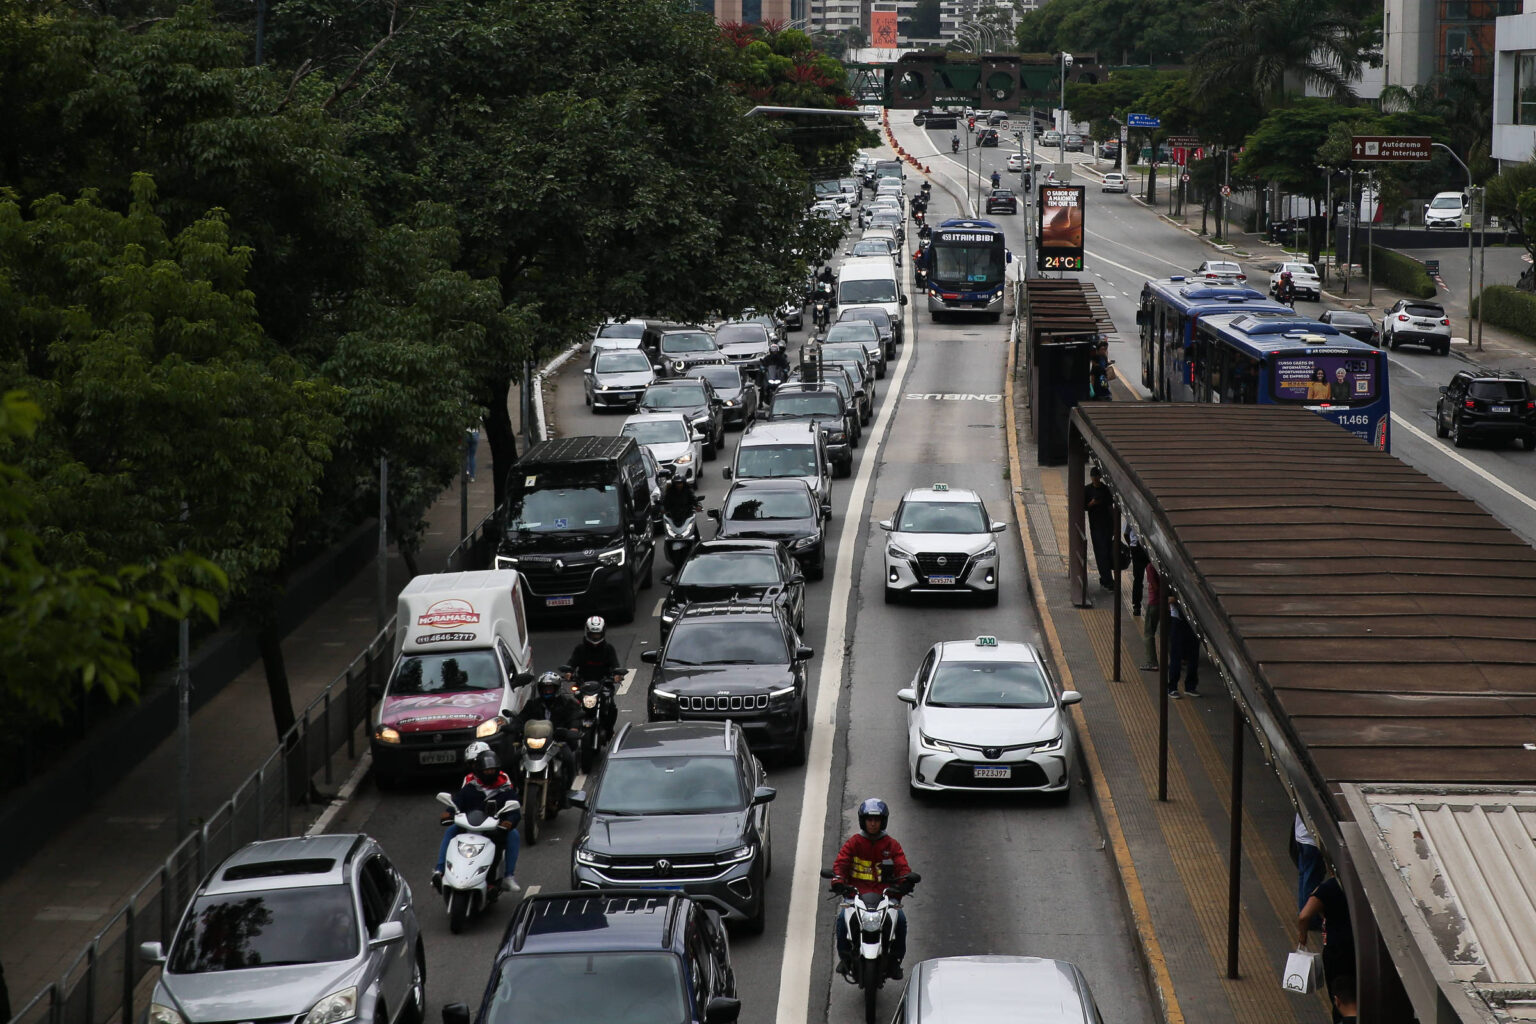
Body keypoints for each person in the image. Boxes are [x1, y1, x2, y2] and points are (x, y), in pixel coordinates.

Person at [830, 799, 914, 980]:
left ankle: (895, 961)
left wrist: (906, 881)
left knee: (900, 920)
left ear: (883, 821)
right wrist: (838, 881)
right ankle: (845, 958)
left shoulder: (892, 845)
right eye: (869, 819)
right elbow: (841, 864)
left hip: (886, 897)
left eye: (877, 819)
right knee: (842, 921)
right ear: (863, 821)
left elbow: (902, 867)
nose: (873, 823)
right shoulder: (854, 843)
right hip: (856, 896)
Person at [432, 743, 520, 892]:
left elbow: (513, 807)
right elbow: (458, 801)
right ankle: (439, 871)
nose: (489, 772)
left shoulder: (504, 785)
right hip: (470, 824)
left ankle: (507, 877)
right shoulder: (470, 785)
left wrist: (508, 822)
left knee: (513, 836)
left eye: (492, 769)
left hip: (494, 827)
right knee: (451, 831)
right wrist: (449, 812)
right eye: (485, 769)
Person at [512, 672, 582, 807]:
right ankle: (518, 789)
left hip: (557, 741)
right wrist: (512, 726)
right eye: (544, 688)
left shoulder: (567, 703)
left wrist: (572, 730)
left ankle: (566, 792)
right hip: (535, 741)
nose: (547, 691)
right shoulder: (533, 704)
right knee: (515, 758)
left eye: (550, 688)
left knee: (568, 758)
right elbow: (521, 718)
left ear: (556, 689)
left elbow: (575, 717)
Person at [1298, 876, 1356, 1022]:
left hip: (1336, 951)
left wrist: (1303, 936)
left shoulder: (1330, 886)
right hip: (1358, 949)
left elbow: (1304, 916)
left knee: (1340, 993)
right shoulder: (1359, 883)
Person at [1085, 467, 1116, 591]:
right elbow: (1083, 506)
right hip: (1096, 527)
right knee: (1101, 553)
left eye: (1097, 477)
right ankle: (1107, 579)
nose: (1095, 479)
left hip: (1107, 525)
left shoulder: (1105, 490)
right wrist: (1092, 503)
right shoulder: (1087, 490)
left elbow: (1110, 508)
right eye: (1094, 477)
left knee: (1107, 552)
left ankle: (1106, 578)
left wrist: (1114, 526)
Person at [1167, 592, 1201, 697]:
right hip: (1178, 619)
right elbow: (1169, 599)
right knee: (1176, 655)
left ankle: (1190, 686)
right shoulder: (1173, 581)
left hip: (1193, 619)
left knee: (1194, 655)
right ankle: (1172, 687)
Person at [1294, 813, 1325, 914]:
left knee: (1304, 877)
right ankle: (1310, 916)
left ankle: (1303, 909)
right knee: (1311, 880)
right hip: (1311, 841)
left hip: (1300, 836)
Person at [1123, 521, 1149, 616]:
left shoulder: (1131, 513)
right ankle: (1154, 603)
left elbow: (1125, 533)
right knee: (1153, 576)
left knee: (1138, 578)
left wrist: (1131, 544)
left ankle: (1136, 606)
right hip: (1149, 547)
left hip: (1136, 547)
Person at [1140, 562, 1161, 670]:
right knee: (1168, 632)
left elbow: (1154, 585)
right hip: (1167, 602)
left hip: (1154, 602)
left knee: (1148, 633)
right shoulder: (1165, 563)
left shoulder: (1150, 567)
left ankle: (1152, 662)